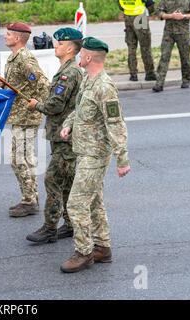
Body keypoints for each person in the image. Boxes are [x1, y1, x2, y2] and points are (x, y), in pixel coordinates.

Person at [59, 37, 131, 273]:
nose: (79, 57)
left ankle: (85, 252)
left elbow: (116, 124)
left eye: (82, 54)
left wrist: (122, 160)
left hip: (95, 155)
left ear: (89, 57)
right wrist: (69, 123)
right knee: (94, 203)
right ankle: (102, 247)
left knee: (76, 204)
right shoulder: (88, 80)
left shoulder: (104, 87)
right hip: (84, 151)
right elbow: (80, 111)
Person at [25, 27, 84, 243]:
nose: (55, 46)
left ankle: (50, 228)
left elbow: (56, 105)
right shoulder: (67, 69)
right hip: (62, 135)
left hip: (65, 137)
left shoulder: (70, 72)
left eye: (59, 44)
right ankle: (70, 224)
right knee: (67, 181)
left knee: (53, 180)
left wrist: (36, 105)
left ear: (70, 48)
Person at [0, 22, 49, 217]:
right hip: (18, 115)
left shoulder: (25, 59)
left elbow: (43, 84)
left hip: (27, 116)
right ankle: (31, 198)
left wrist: (39, 105)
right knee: (25, 158)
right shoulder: (13, 57)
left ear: (18, 38)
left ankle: (29, 200)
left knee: (18, 159)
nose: (5, 36)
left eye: (8, 34)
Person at [153, 0, 190, 92]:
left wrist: (184, 16)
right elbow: (158, 12)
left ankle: (186, 80)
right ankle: (159, 83)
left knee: (185, 57)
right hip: (169, 33)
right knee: (164, 57)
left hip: (183, 33)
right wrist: (171, 16)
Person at [118, 0, 156, 81]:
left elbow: (120, 6)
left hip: (128, 17)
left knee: (131, 47)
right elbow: (151, 6)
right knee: (145, 47)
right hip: (140, 17)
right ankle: (150, 73)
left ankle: (133, 74)